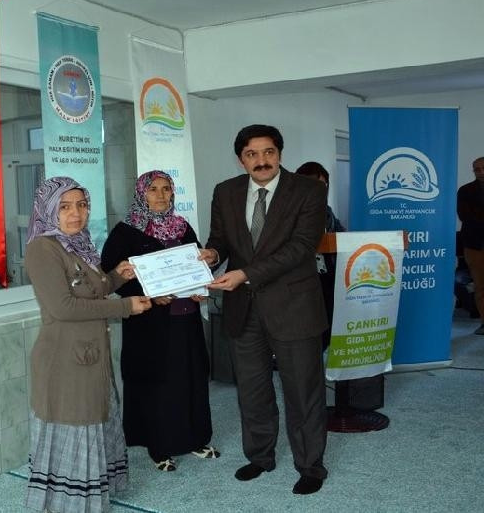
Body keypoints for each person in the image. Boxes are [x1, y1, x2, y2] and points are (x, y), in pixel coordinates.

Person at [200, 124, 329, 495]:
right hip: (244, 308)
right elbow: (221, 240)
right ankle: (260, 456)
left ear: (279, 153)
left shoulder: (308, 190)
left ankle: (310, 465)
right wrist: (212, 255)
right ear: (241, 159)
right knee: (252, 389)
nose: (261, 161)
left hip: (294, 306)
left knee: (302, 390)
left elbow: (301, 247)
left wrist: (245, 273)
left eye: (268, 152)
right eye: (252, 154)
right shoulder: (225, 191)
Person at [24, 176, 151, 513]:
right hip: (64, 359)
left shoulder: (78, 244)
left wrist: (117, 277)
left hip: (90, 353)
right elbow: (63, 307)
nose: (76, 214)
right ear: (48, 210)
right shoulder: (43, 249)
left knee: (94, 417)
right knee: (75, 421)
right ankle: (68, 500)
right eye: (65, 207)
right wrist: (125, 307)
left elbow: (92, 290)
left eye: (81, 205)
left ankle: (89, 494)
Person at [101, 170, 219, 472]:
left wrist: (201, 287)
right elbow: (112, 275)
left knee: (191, 376)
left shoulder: (182, 227)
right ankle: (159, 446)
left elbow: (196, 264)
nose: (160, 195)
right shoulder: (125, 232)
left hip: (186, 319)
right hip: (149, 324)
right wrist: (149, 295)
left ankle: (195, 438)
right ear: (141, 193)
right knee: (159, 382)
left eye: (166, 189)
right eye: (153, 189)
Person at [295, 161, 345, 349]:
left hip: (327, 278)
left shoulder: (327, 212)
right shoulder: (289, 214)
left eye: (323, 186)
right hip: (302, 282)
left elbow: (342, 236)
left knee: (328, 329)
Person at [457, 157, 484, 335]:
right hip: (475, 245)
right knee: (481, 286)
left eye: (483, 168)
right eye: (477, 169)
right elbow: (465, 216)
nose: (480, 172)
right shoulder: (465, 190)